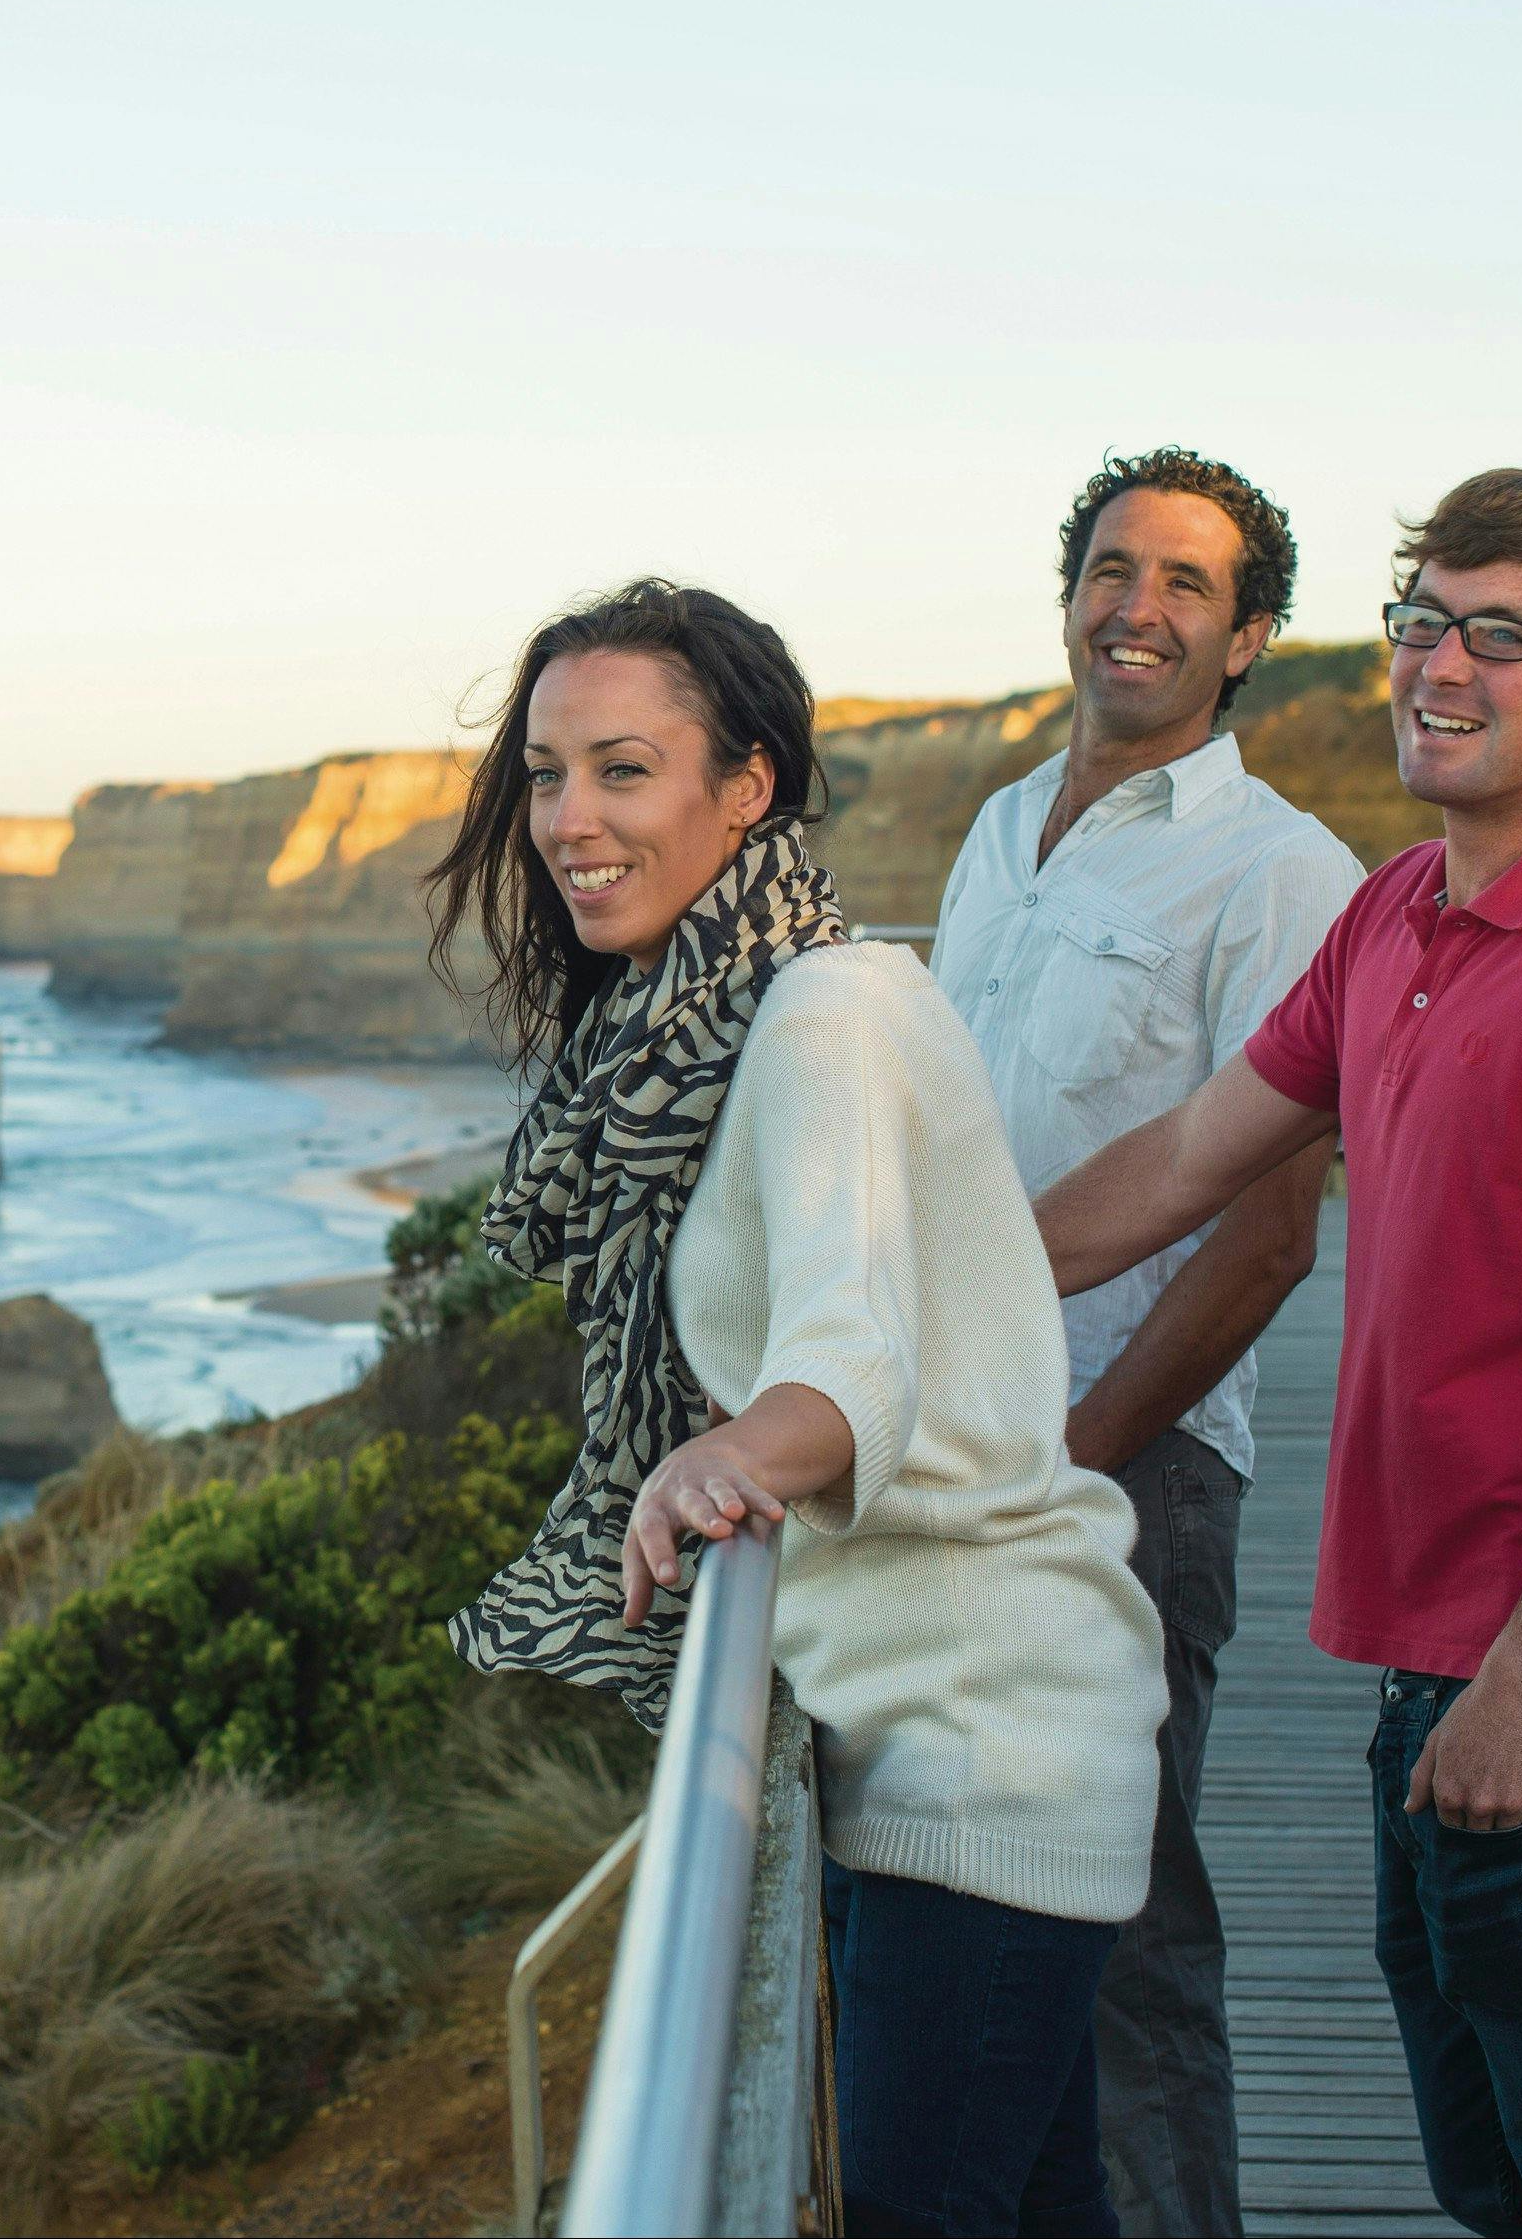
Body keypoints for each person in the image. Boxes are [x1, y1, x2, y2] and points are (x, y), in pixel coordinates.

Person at [1034, 469, 1522, 2235]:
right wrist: (900, 1312)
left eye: (1498, 635)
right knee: (1499, 2186)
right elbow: (1183, 1163)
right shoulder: (1393, 915)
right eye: (1421, 618)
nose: (1437, 665)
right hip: (1428, 1670)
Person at [430, 579, 1168, 2235]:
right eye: (544, 776)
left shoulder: (823, 1016)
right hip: (938, 1732)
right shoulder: (723, 1012)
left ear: (745, 786)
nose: (568, 821)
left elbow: (851, 1355)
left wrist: (725, 1456)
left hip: (978, 1749)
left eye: (622, 770)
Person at [929, 447, 1364, 2236]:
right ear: (1068, 594)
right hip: (946, 1452)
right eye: (1115, 568)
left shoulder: (1282, 875)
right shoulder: (994, 826)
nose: (1139, 608)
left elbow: (1265, 1237)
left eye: (1188, 585)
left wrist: (1081, 1456)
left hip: (1128, 1470)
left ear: (1248, 634)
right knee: (962, 1920)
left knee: (1123, 1943)